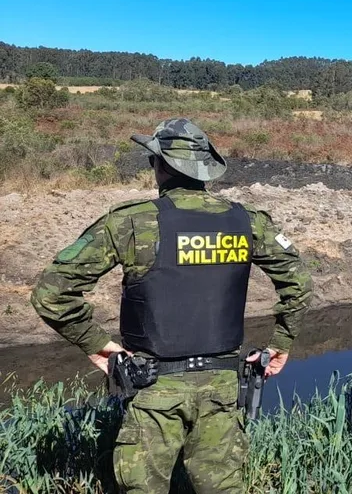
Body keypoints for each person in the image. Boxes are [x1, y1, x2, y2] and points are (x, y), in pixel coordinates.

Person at [30, 118, 313, 493]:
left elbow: (52, 293)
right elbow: (299, 282)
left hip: (153, 388)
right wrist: (280, 344)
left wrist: (98, 345)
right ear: (204, 171)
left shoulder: (132, 222)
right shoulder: (249, 222)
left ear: (160, 166)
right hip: (223, 389)